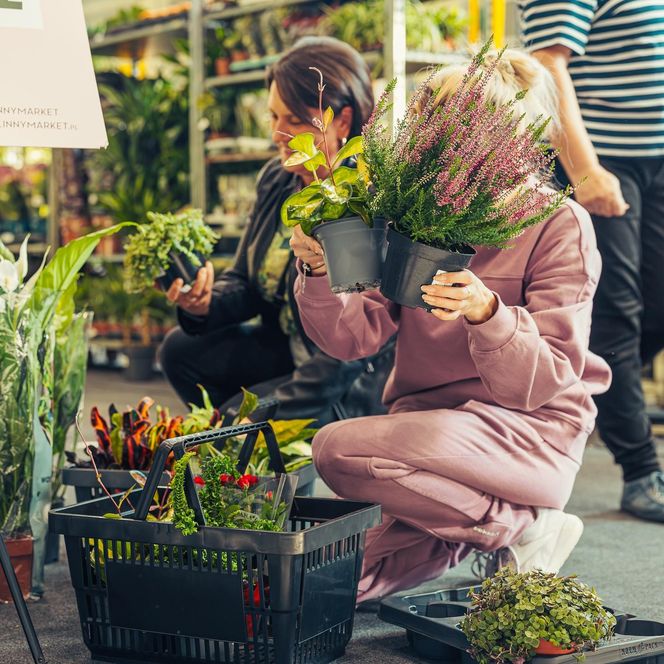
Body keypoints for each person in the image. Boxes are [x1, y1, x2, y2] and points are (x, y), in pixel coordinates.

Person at [289, 49, 612, 602]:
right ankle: (477, 534)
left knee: (335, 449)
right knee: (323, 587)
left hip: (529, 434)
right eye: (421, 124)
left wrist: (487, 314)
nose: (420, 139)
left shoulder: (560, 223)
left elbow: (545, 381)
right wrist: (317, 272)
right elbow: (352, 338)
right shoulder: (407, 211)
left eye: (436, 127)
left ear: (496, 136)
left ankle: (523, 526)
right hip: (428, 436)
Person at [159, 36, 393, 424]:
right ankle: (268, 453)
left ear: (343, 120)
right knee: (180, 352)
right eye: (273, 117)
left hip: (345, 376)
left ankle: (289, 441)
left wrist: (264, 409)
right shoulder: (278, 180)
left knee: (236, 420)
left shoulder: (367, 193)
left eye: (295, 121)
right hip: (288, 347)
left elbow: (358, 344)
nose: (276, 134)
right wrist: (204, 304)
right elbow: (247, 282)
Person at [520, 0, 664, 522]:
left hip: (657, 160)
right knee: (615, 314)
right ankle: (641, 468)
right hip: (604, 159)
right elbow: (547, 62)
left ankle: (575, 402)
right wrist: (585, 171)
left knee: (653, 310)